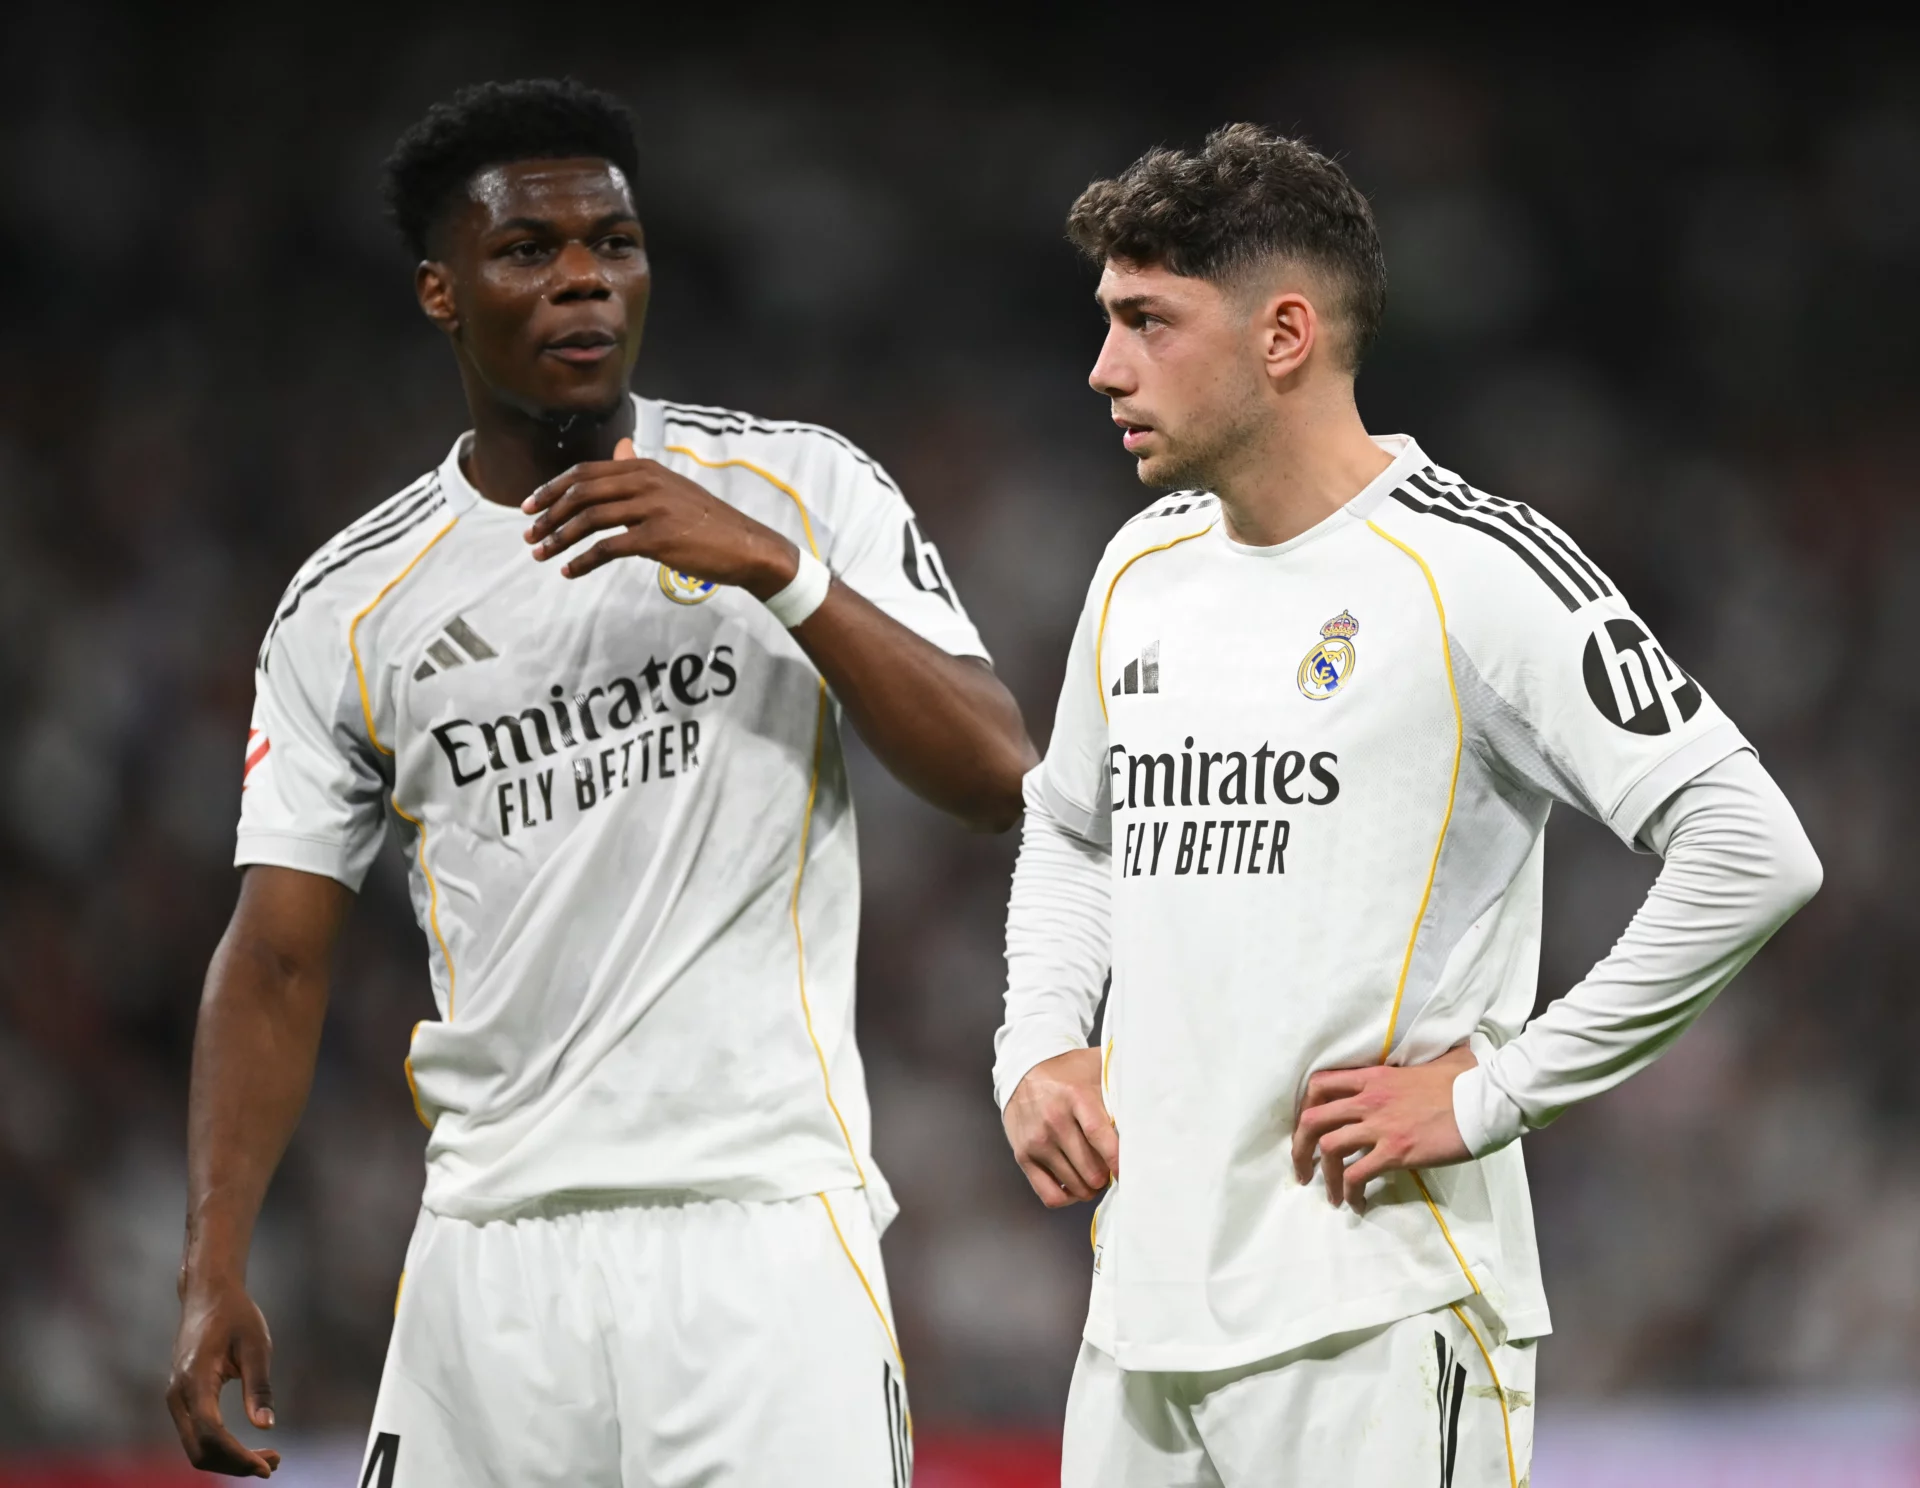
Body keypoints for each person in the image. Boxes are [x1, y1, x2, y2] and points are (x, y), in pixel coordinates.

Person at [165, 78, 1035, 1486]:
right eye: (530, 251)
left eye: (614, 243)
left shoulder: (798, 486)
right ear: (442, 293)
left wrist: (775, 569)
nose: (584, 277)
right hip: (488, 1256)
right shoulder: (349, 603)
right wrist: (209, 1263)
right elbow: (272, 957)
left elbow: (999, 770)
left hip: (761, 1234)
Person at [995, 124, 1822, 1488]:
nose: (1105, 368)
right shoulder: (1140, 566)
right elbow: (1073, 828)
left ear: (1284, 336)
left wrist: (1501, 1092)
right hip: (1140, 1320)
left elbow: (1751, 848)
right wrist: (1036, 1041)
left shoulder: (1476, 570)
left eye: (1147, 322)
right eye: (1106, 322)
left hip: (1375, 1315)